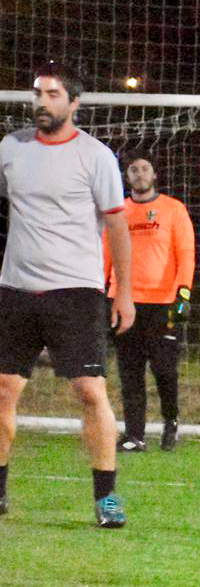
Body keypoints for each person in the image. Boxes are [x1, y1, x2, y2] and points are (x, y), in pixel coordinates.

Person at [0, 62, 134, 527]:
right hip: (15, 290)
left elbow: (117, 225)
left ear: (74, 102)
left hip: (76, 291)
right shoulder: (11, 149)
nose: (42, 102)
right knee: (3, 389)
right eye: (38, 93)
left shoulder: (95, 156)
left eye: (53, 94)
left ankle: (106, 497)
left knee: (90, 391)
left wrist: (124, 293)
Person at [103, 156, 195, 452]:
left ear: (154, 174)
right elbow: (106, 255)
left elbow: (186, 254)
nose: (139, 174)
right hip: (124, 302)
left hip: (162, 304)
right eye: (134, 170)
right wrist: (100, 291)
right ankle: (135, 436)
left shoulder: (173, 209)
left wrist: (183, 295)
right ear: (127, 176)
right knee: (130, 372)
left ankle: (171, 421)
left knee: (164, 370)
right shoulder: (117, 212)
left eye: (144, 169)